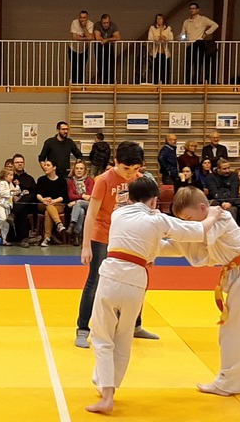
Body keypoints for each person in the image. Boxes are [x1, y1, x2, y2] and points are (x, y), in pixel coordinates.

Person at [84, 178, 217, 415]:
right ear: (154, 200)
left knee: (102, 336)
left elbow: (145, 240)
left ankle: (106, 393)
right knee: (124, 335)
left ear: (129, 198)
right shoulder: (157, 220)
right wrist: (213, 216)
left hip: (111, 275)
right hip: (136, 281)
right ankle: (108, 388)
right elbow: (195, 231)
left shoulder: (118, 214)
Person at [165, 186, 240, 397]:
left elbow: (195, 235)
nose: (187, 223)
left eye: (188, 218)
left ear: (202, 208)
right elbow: (183, 244)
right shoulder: (210, 221)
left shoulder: (220, 217)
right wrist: (150, 247)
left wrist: (169, 225)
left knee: (233, 332)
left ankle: (228, 383)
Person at [76, 141, 158, 349]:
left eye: (135, 169)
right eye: (126, 168)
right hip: (103, 235)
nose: (130, 173)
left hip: (129, 237)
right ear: (115, 162)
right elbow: (91, 214)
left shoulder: (139, 180)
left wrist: (151, 250)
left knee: (136, 281)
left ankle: (135, 325)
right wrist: (86, 246)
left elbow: (148, 214)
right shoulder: (104, 180)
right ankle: (83, 329)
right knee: (95, 281)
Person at [180, 2, 219, 84]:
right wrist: (182, 38)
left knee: (198, 64)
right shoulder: (186, 21)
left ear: (197, 10)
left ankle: (197, 81)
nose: (191, 10)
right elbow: (183, 33)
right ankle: (188, 82)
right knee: (188, 64)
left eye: (193, 8)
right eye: (190, 8)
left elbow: (215, 25)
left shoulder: (203, 19)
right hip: (190, 44)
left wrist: (206, 33)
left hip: (199, 44)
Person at [67, 160, 94, 247]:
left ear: (85, 170)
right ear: (74, 170)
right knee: (81, 211)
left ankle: (72, 224)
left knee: (78, 203)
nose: (79, 170)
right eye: (77, 168)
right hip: (79, 205)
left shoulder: (90, 180)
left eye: (81, 169)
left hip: (89, 204)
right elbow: (71, 196)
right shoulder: (71, 182)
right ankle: (76, 235)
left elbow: (89, 195)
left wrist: (76, 200)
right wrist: (82, 196)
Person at [0, 168, 19, 245]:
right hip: (0, 204)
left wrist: (17, 186)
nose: (12, 177)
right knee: (2, 218)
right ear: (4, 176)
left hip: (8, 205)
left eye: (12, 175)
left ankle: (4, 238)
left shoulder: (10, 184)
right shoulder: (2, 183)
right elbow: (1, 193)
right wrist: (10, 191)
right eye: (10, 175)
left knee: (6, 223)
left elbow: (16, 192)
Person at [94, 14, 120, 84]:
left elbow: (117, 37)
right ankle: (102, 84)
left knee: (110, 67)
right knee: (101, 67)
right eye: (104, 23)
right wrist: (109, 40)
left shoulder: (113, 25)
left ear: (109, 22)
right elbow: (98, 37)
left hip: (109, 48)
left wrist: (106, 40)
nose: (106, 25)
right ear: (101, 22)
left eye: (107, 23)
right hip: (99, 49)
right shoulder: (97, 25)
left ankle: (111, 84)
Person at [69, 11, 94, 84]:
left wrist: (84, 28)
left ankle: (81, 85)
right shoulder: (74, 22)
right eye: (81, 17)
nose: (82, 19)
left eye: (84, 18)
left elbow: (91, 37)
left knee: (82, 68)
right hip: (73, 49)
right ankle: (74, 85)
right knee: (74, 68)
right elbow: (74, 38)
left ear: (87, 18)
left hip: (84, 50)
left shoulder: (90, 24)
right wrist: (86, 38)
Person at [147, 14, 173, 84]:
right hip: (156, 53)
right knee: (156, 71)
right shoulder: (152, 28)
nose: (159, 20)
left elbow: (171, 38)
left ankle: (165, 85)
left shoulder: (168, 28)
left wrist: (165, 38)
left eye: (160, 18)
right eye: (157, 18)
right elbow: (150, 38)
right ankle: (156, 84)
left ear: (163, 20)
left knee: (166, 71)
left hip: (165, 53)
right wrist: (157, 38)